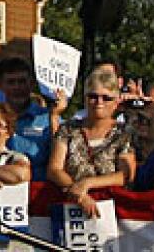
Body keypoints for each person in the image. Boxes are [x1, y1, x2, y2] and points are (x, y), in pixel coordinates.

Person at [47, 70, 135, 217]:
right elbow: (54, 169)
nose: (99, 102)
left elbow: (124, 175)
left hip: (112, 209)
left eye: (106, 98)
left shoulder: (124, 133)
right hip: (71, 205)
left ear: (116, 102)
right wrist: (77, 192)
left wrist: (87, 183)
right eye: (93, 96)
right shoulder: (68, 129)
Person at [0, 56, 66, 180]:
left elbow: (64, 158)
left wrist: (54, 117)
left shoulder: (48, 118)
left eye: (22, 81)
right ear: (1, 85)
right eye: (11, 82)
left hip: (38, 191)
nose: (17, 87)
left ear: (31, 84)